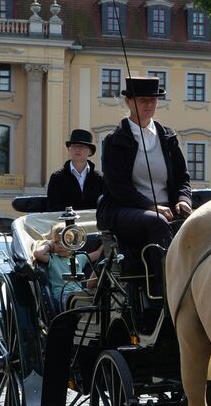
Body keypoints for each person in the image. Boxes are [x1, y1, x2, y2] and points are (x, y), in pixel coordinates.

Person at [96, 76, 192, 297]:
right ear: (129, 102)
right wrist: (151, 206)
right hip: (123, 210)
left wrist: (183, 200)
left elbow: (182, 178)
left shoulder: (167, 136)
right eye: (143, 100)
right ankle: (164, 294)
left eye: (153, 100)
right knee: (156, 222)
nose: (149, 105)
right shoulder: (114, 140)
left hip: (165, 207)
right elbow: (117, 187)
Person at [46, 128, 106, 211]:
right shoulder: (57, 178)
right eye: (74, 146)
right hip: (66, 223)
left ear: (90, 152)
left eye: (82, 146)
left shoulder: (99, 179)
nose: (78, 149)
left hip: (92, 223)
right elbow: (53, 208)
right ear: (69, 149)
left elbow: (105, 206)